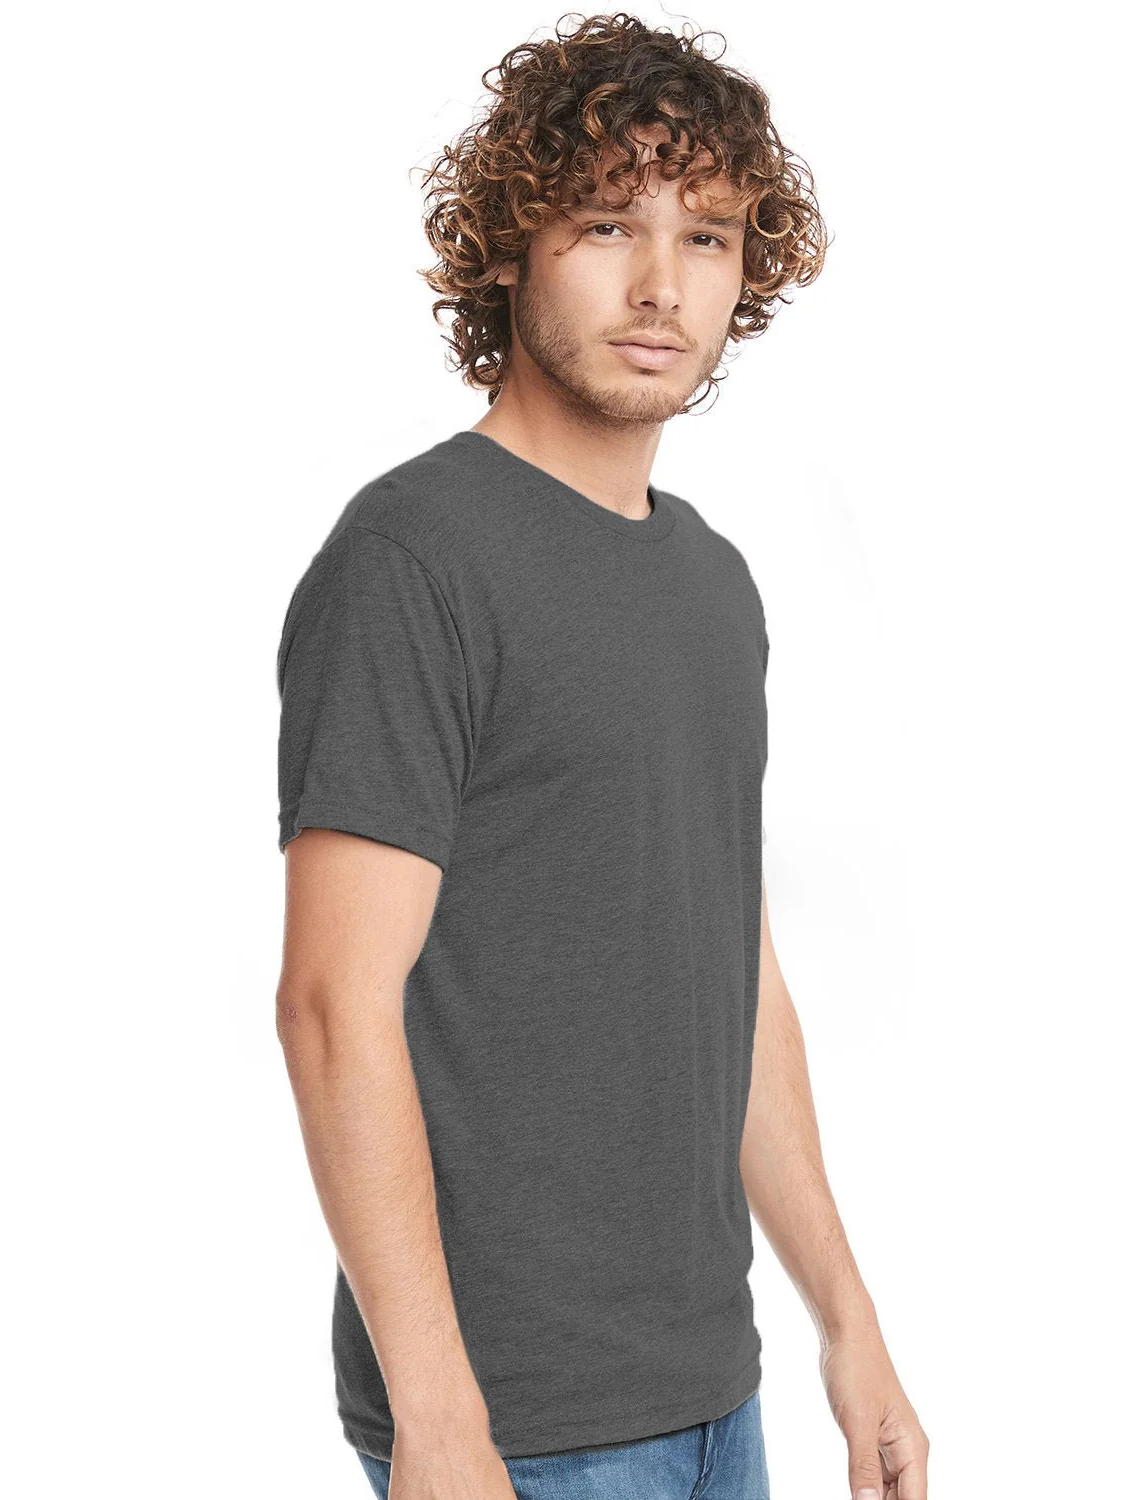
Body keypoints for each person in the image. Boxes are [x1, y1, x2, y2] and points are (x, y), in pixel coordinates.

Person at [274, 14, 929, 1500]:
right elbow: (330, 1004)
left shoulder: (713, 582)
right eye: (608, 224)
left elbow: (732, 972)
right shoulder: (413, 560)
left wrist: (848, 1322)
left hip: (714, 1396)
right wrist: (440, 1419)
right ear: (512, 247)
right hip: (515, 1427)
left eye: (707, 236)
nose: (661, 287)